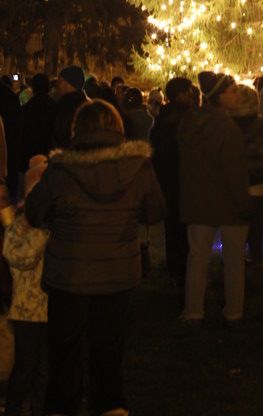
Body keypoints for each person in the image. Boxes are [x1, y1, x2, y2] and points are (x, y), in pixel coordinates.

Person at [24, 99, 164, 416]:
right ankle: (111, 405)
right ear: (118, 128)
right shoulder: (138, 166)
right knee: (110, 348)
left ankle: (62, 405)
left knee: (64, 351)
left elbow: (35, 213)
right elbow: (155, 212)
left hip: (69, 275)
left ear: (78, 129)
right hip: (117, 273)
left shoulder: (61, 168)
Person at [178, 72, 250, 323]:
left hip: (198, 200)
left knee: (197, 257)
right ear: (219, 96)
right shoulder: (227, 128)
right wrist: (242, 202)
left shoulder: (189, 122)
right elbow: (234, 171)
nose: (238, 95)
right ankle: (234, 309)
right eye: (232, 91)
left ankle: (193, 309)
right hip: (228, 203)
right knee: (233, 260)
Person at [2, 155, 50, 416]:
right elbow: (19, 257)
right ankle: (14, 407)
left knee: (44, 368)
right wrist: (41, 233)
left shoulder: (48, 224)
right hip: (27, 310)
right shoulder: (22, 225)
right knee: (25, 367)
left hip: (48, 307)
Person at [226, 84, 263, 288]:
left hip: (232, 189)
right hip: (259, 188)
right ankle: (257, 274)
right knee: (256, 235)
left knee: (234, 236)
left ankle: (233, 276)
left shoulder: (227, 127)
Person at [150, 76, 194, 290]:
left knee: (174, 226)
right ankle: (184, 267)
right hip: (182, 178)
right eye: (188, 91)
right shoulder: (184, 117)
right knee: (184, 226)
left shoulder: (162, 119)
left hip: (169, 180)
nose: (192, 95)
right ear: (179, 94)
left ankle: (175, 267)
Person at [51, 66, 87, 149]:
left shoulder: (64, 107)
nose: (57, 85)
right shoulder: (88, 104)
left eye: (59, 81)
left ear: (67, 83)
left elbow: (58, 135)